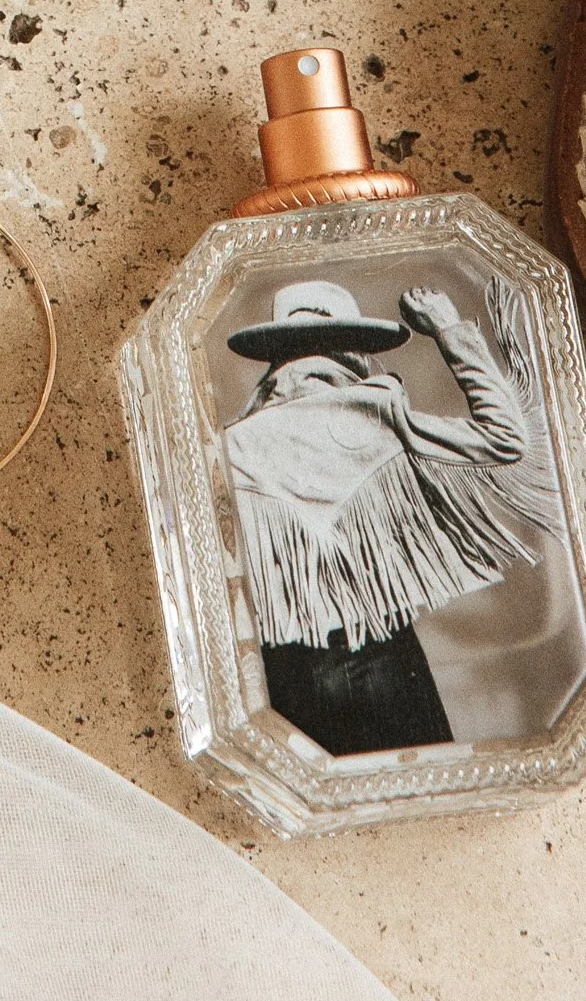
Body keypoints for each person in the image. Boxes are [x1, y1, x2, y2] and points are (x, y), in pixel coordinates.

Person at [223, 278, 561, 756]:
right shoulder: (377, 412)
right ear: (355, 350)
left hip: (282, 666)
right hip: (382, 650)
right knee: (425, 788)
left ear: (278, 353)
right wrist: (448, 329)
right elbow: (507, 438)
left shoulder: (233, 443)